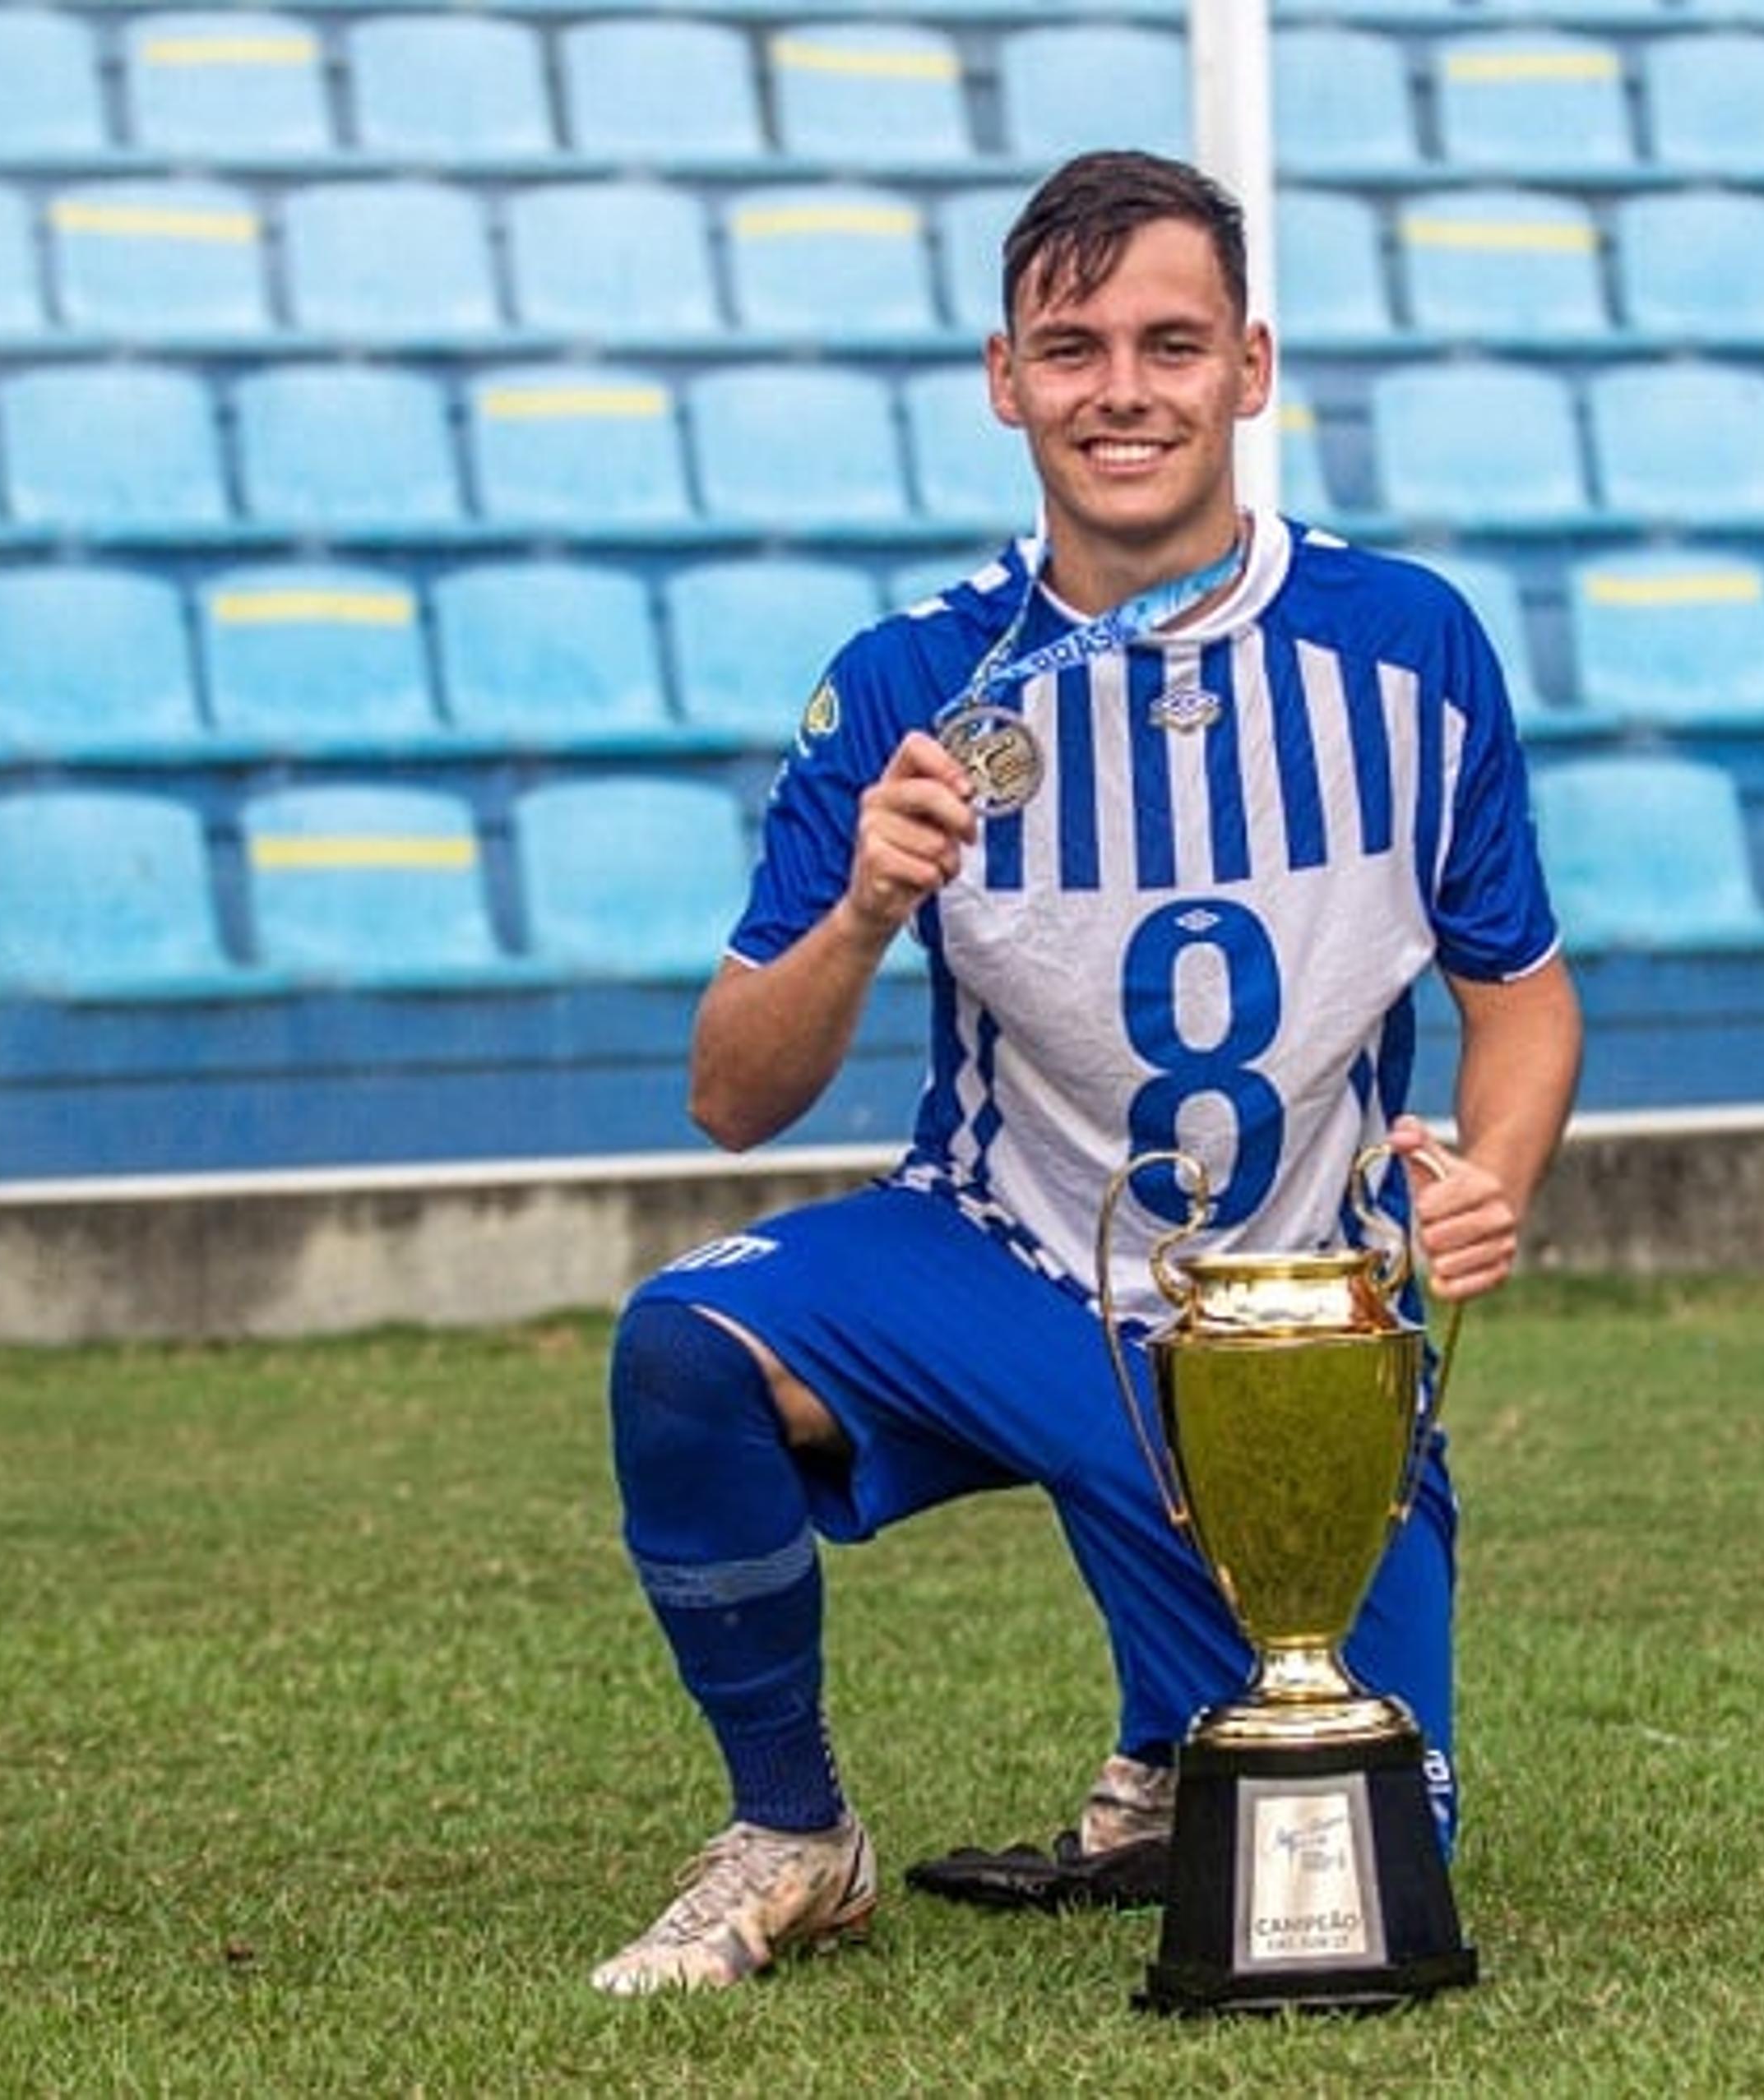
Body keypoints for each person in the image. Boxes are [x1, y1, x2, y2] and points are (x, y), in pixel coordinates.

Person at [589, 149, 1585, 1996]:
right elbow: (734, 1091)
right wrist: (867, 905)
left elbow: (1521, 991)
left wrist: (1488, 1179)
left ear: (1252, 368)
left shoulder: (1410, 646)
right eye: (1073, 347)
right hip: (1000, 1263)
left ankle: (1169, 1746)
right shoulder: (910, 680)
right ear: (1004, 377)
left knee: (1362, 1849)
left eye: (1170, 342)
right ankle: (795, 1831)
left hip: (1294, 1334)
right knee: (685, 1344)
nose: (1121, 388)